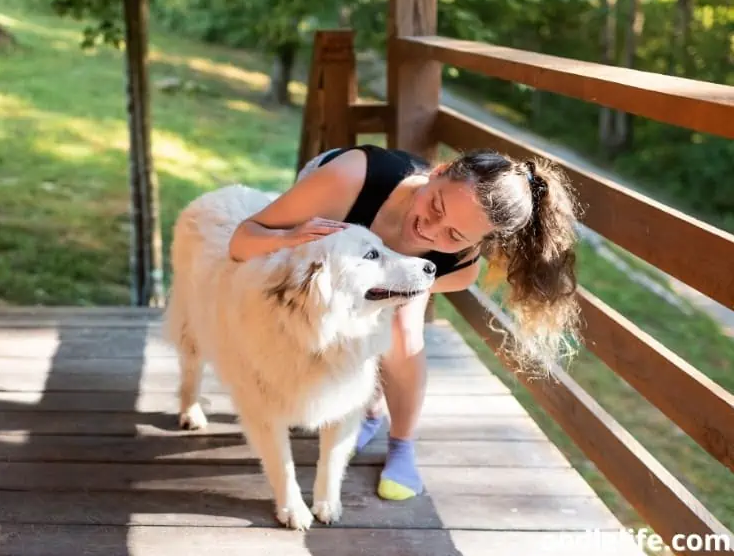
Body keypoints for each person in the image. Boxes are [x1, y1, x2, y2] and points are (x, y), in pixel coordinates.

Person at [228, 144, 581, 501]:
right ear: (439, 171)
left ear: (476, 244)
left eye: (455, 235)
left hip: (399, 269)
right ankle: (361, 403)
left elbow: (403, 298)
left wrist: (388, 298)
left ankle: (400, 443)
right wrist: (289, 238)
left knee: (402, 333)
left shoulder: (458, 266)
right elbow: (241, 242)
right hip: (343, 201)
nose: (431, 230)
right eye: (436, 206)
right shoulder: (347, 179)